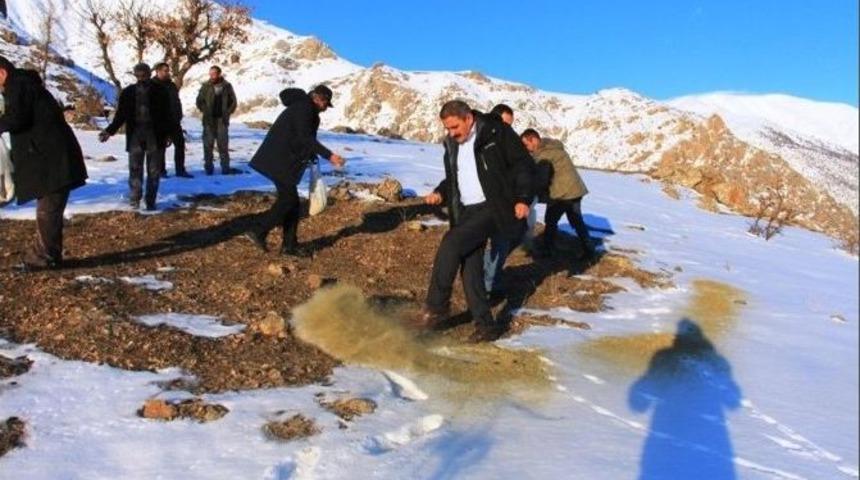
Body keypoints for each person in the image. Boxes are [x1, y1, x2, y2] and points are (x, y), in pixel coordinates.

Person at [418, 100, 534, 342]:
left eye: (454, 127)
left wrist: (523, 197)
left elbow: (523, 164)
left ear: (469, 118)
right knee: (471, 268)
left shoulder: (496, 132)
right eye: (447, 129)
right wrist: (441, 193)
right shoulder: (452, 143)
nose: (451, 133)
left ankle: (436, 307)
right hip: (466, 211)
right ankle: (487, 326)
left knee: (451, 243)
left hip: (494, 206)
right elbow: (455, 178)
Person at [0, 56, 87, 269]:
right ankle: (48, 255)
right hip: (49, 158)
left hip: (52, 160)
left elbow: (17, 118)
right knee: (49, 208)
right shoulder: (23, 84)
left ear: (1, 72)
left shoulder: (18, 85)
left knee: (48, 210)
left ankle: (45, 257)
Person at [245, 85, 345, 257]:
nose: (325, 108)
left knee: (293, 202)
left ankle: (289, 246)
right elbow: (304, 137)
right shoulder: (304, 109)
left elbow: (304, 139)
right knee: (288, 200)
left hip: (284, 160)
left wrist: (313, 156)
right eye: (326, 104)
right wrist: (329, 156)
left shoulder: (307, 110)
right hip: (279, 159)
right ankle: (259, 231)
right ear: (318, 98)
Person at [482, 103, 539, 295]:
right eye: (506, 123)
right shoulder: (486, 138)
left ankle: (487, 277)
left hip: (507, 199)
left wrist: (522, 197)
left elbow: (521, 169)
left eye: (510, 125)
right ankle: (487, 284)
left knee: (510, 237)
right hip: (494, 201)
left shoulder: (505, 139)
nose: (508, 128)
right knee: (502, 239)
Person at [99, 63, 171, 211]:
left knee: (154, 170)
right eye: (138, 75)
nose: (141, 77)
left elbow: (167, 115)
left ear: (149, 74)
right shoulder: (128, 92)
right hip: (135, 135)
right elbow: (120, 116)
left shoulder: (160, 91)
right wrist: (109, 131)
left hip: (155, 135)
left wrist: (169, 134)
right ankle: (135, 199)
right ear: (135, 75)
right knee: (135, 168)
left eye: (143, 74)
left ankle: (151, 201)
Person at [521, 128, 596, 260]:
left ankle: (548, 250)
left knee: (552, 220)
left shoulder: (545, 155)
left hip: (564, 193)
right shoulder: (552, 146)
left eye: (526, 145)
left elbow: (541, 178)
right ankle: (589, 250)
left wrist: (531, 193)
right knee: (575, 220)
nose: (526, 149)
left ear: (533, 139)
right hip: (574, 190)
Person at [196, 65, 238, 175]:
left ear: (219, 74)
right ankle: (208, 169)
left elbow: (233, 102)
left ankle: (225, 168)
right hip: (209, 120)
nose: (212, 76)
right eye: (210, 73)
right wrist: (205, 110)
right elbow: (199, 101)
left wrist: (228, 112)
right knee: (208, 145)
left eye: (214, 73)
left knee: (223, 145)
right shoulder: (205, 86)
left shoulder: (227, 86)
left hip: (222, 120)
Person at [152, 62, 192, 178]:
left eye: (167, 70)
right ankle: (161, 171)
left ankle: (180, 170)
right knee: (160, 148)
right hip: (159, 122)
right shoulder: (152, 85)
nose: (167, 72)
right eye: (165, 70)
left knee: (180, 145)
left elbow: (177, 101)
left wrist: (179, 115)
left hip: (174, 121)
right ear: (158, 71)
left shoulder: (171, 85)